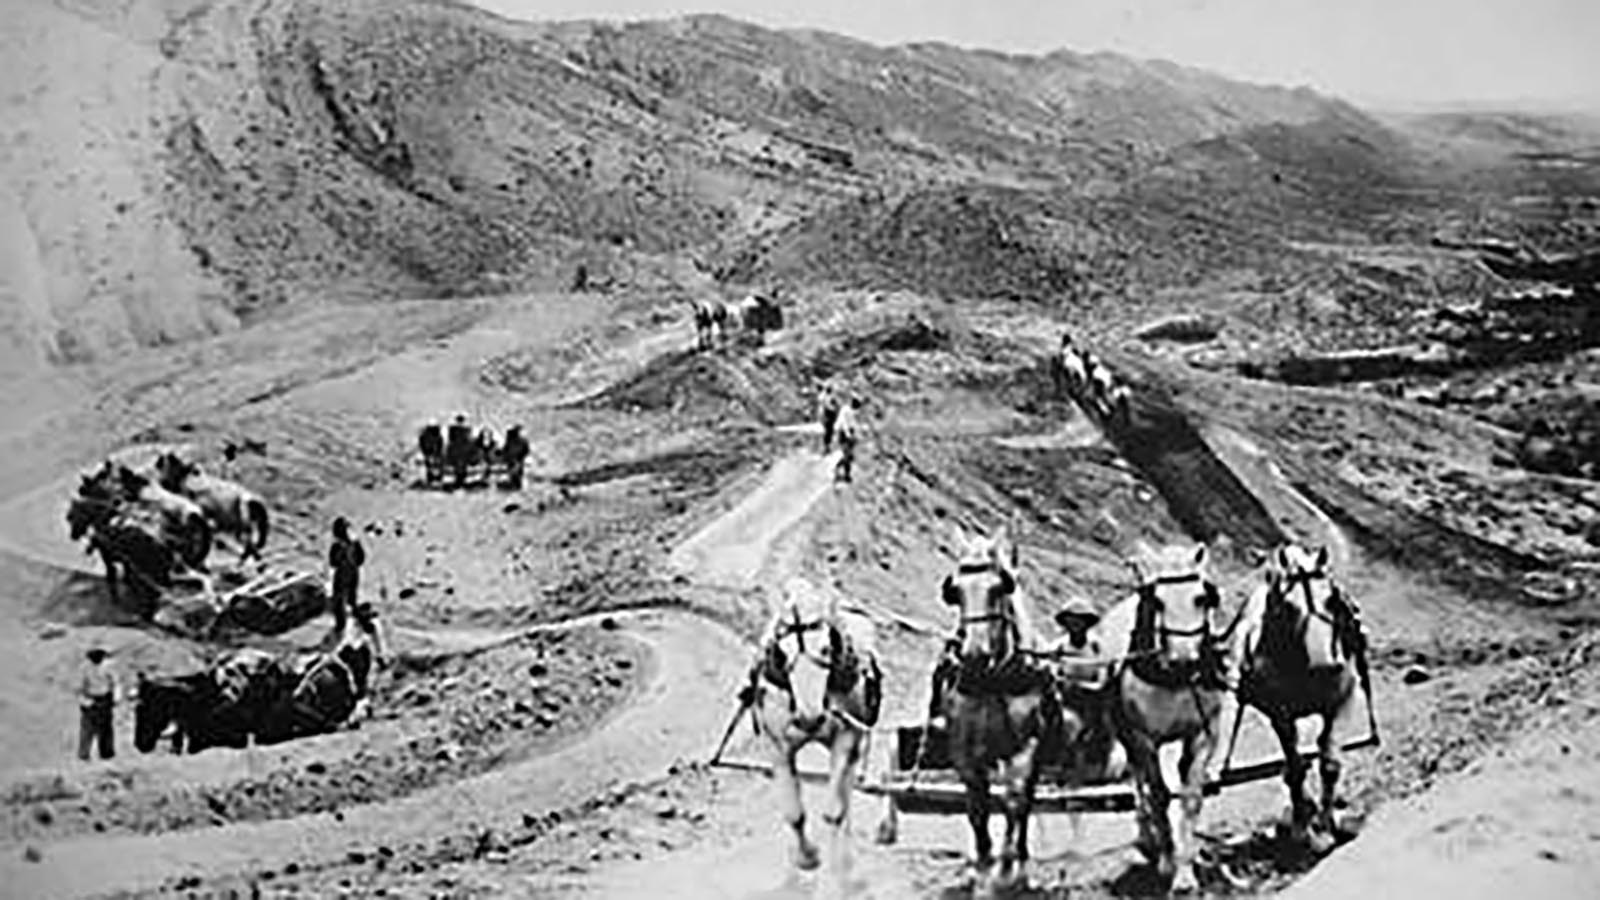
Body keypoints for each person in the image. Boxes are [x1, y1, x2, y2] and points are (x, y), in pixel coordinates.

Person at [78, 645, 117, 761]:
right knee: (87, 729)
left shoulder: (108, 668)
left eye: (99, 655)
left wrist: (115, 699)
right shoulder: (84, 669)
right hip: (90, 699)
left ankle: (106, 753)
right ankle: (84, 754)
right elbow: (79, 687)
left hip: (104, 699)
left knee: (105, 728)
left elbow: (115, 683)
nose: (97, 658)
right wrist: (84, 701)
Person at [328, 517, 365, 635]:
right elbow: (361, 559)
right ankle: (360, 619)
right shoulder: (354, 542)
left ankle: (341, 625)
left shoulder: (337, 545)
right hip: (353, 571)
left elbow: (333, 562)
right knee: (352, 598)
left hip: (342, 573)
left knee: (338, 600)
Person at [833, 396, 861, 483]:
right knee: (847, 455)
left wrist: (857, 431)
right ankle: (846, 474)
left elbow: (853, 423)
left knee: (849, 454)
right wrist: (848, 434)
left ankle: (839, 467)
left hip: (848, 432)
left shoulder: (852, 412)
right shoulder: (845, 411)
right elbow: (844, 423)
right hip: (842, 432)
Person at [446, 414, 473, 489]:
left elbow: (451, 439)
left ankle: (459, 482)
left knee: (459, 466)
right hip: (460, 450)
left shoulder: (453, 430)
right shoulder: (466, 430)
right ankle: (460, 482)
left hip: (458, 450)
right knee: (460, 466)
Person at [818, 384, 842, 454]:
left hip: (827, 416)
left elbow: (836, 406)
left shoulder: (825, 397)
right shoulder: (829, 398)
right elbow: (836, 406)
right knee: (829, 431)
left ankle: (827, 447)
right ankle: (827, 447)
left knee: (828, 431)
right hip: (829, 416)